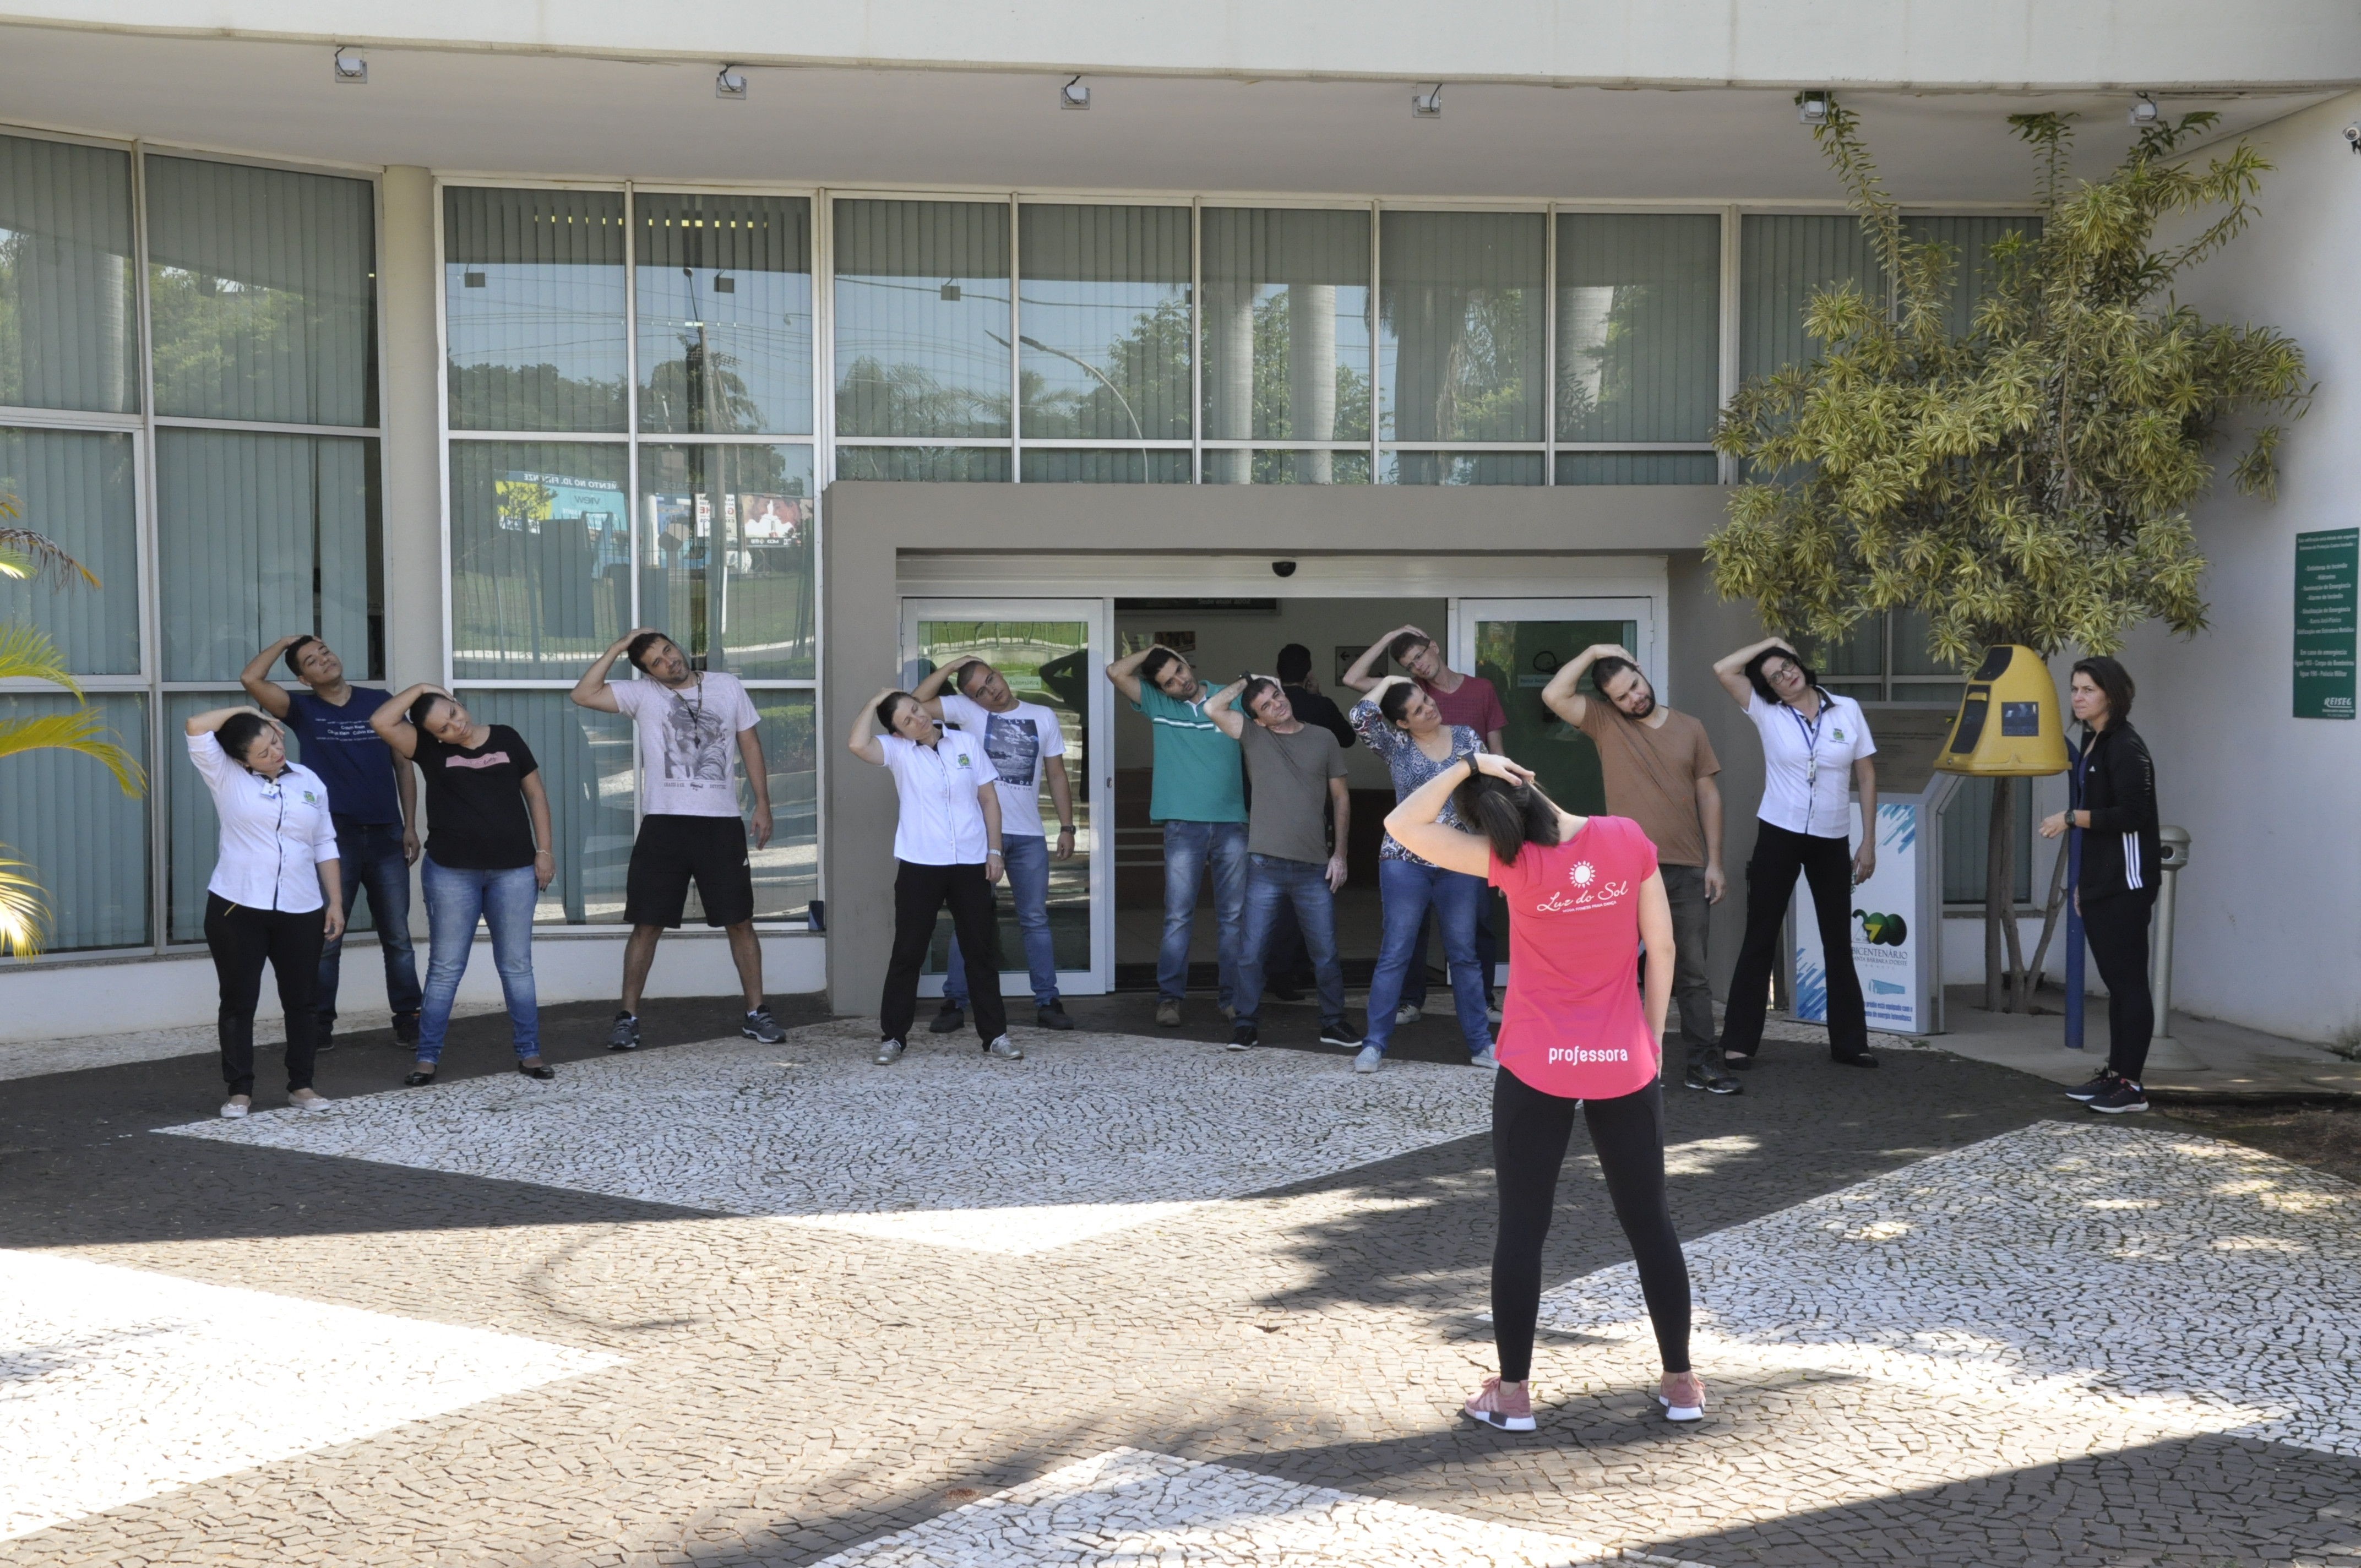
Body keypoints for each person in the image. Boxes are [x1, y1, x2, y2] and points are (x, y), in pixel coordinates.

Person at [1384, 750, 1701, 1431]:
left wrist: (1466, 763)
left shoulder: (1512, 862)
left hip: (1537, 1064)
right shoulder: (1627, 838)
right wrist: (1648, 1042)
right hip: (1624, 1061)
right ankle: (1681, 1386)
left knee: (1523, 1229)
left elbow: (1402, 824)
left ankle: (1514, 1395)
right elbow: (1663, 949)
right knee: (1651, 1224)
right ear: (1529, 783)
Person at [572, 629, 785, 1049]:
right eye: (655, 661)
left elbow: (750, 743)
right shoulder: (641, 695)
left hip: (720, 824)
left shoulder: (727, 686)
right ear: (647, 672)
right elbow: (583, 693)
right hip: (665, 825)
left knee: (740, 921)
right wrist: (617, 648)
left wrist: (762, 803)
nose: (668, 661)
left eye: (668, 651)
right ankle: (628, 1018)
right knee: (647, 924)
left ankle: (756, 1013)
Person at [1543, 644, 1736, 1095]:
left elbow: (1709, 797)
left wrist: (1716, 862)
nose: (1634, 699)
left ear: (1642, 673)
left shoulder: (1691, 728)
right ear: (1610, 703)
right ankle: (1622, 1062)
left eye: (1635, 686)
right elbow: (1554, 695)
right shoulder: (1605, 723)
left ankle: (1702, 1064)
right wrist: (1592, 652)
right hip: (1624, 870)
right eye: (1622, 697)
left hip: (1688, 868)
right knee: (1616, 971)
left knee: (1691, 973)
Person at [240, 633, 421, 1049]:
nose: (324, 661)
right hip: (331, 842)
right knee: (327, 937)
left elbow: (404, 766)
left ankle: (409, 1017)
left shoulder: (379, 700)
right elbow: (251, 677)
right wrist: (285, 642)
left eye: (325, 652)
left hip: (386, 834)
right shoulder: (302, 709)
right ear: (303, 679)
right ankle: (319, 1023)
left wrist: (410, 825)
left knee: (397, 937)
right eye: (312, 661)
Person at [369, 684, 556, 1086]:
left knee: (517, 965)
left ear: (458, 703)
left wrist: (545, 851)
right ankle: (426, 1058)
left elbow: (536, 795)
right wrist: (420, 688)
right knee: (445, 968)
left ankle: (530, 1051)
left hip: (515, 870)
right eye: (445, 728)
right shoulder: (428, 749)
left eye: (454, 714)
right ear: (434, 735)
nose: (457, 726)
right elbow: (381, 721)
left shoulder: (507, 737)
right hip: (452, 872)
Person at [1710, 637, 1881, 1070]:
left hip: (1833, 836)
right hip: (1779, 833)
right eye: (1774, 677)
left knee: (1837, 941)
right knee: (1760, 937)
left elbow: (1865, 776)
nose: (1786, 676)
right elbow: (1723, 669)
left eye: (1787, 665)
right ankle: (1739, 1042)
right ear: (1769, 690)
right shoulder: (1766, 711)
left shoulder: (1847, 709)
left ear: (1799, 665)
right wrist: (1768, 642)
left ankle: (1850, 1043)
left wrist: (1868, 840)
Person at [182, 705, 344, 1119]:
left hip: (302, 906)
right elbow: (197, 726)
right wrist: (243, 710)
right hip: (237, 905)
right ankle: (240, 1090)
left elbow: (324, 842)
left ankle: (302, 1085)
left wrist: (336, 902)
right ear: (241, 760)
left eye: (274, 742)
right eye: (261, 752)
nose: (274, 753)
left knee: (303, 1001)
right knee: (238, 1001)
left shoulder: (309, 780)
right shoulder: (225, 775)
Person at [1344, 624, 1509, 1020]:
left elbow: (1495, 762)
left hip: (1467, 836)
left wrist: (1500, 830)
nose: (1418, 666)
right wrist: (1392, 664)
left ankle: (1481, 1003)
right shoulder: (1409, 703)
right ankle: (1409, 1000)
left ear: (1434, 647)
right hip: (1414, 848)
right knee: (1409, 931)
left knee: (1475, 929)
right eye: (1409, 665)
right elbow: (1355, 691)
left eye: (1419, 656)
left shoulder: (1479, 697)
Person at [848, 687, 1020, 1065]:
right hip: (920, 864)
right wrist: (875, 701)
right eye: (906, 720)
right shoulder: (897, 752)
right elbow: (858, 744)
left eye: (915, 709)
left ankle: (996, 1036)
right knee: (908, 952)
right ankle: (893, 1036)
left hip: (972, 862)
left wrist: (995, 852)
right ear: (899, 733)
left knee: (980, 950)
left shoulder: (965, 742)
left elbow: (989, 799)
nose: (917, 718)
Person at [910, 654, 1076, 1034]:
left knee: (1035, 920)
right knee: (971, 920)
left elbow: (1056, 773)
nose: (991, 691)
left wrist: (1066, 827)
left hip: (1031, 835)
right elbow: (913, 705)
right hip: (980, 836)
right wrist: (950, 670)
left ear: (1001, 673)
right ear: (973, 698)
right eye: (980, 691)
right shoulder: (965, 711)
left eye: (992, 680)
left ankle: (1048, 1001)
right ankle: (954, 1001)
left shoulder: (1043, 716)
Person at [1203, 674, 1361, 1052]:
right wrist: (1244, 682)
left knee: (1325, 952)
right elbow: (1212, 707)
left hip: (1313, 866)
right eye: (1267, 705)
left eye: (1277, 695)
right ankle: (1245, 1025)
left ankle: (1333, 1023)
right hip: (1264, 866)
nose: (1277, 704)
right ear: (1258, 718)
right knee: (1252, 951)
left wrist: (1340, 854)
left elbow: (1341, 799)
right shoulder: (1254, 737)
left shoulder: (1323, 738)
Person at [1347, 676, 1495, 1071]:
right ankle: (1374, 1044)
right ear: (1402, 723)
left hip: (1459, 859)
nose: (1429, 708)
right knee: (1396, 951)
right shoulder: (1395, 745)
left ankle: (1481, 1045)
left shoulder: (1466, 737)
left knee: (1464, 955)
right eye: (1416, 710)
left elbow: (1488, 793)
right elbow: (1359, 716)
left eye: (1426, 700)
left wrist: (1495, 848)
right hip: (1404, 859)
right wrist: (1392, 680)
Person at [1106, 642, 1249, 1028]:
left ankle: (1232, 998)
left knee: (1233, 917)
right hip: (1183, 826)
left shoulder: (1227, 697)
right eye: (1168, 682)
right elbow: (1116, 672)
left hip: (1232, 822)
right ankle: (1169, 999)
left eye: (1180, 671)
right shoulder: (1157, 704)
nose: (1179, 682)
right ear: (1161, 690)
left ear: (1188, 664)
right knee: (1178, 917)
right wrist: (1151, 649)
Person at [2041, 656, 2160, 1116]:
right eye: (2074, 689)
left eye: (2088, 689)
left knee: (2130, 984)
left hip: (2127, 884)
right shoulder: (2092, 741)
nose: (2078, 697)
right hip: (2101, 882)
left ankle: (2132, 1086)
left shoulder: (2125, 746)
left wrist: (2070, 817)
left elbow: (2133, 815)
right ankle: (2117, 1073)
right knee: (2116, 983)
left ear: (2111, 694)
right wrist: (2083, 885)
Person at [1261, 643, 1355, 999]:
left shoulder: (1264, 710)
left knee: (1276, 898)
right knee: (1310, 894)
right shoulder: (1320, 706)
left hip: (1270, 814)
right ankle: (1297, 970)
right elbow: (1347, 739)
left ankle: (1279, 971)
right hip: (1317, 815)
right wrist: (1321, 697)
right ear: (1309, 671)